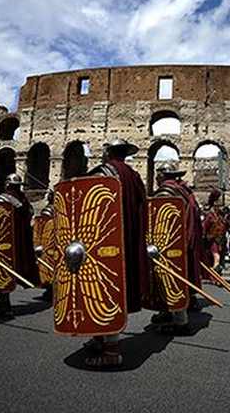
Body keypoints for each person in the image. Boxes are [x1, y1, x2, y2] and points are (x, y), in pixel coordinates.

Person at [83, 138, 149, 368]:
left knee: (105, 290)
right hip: (128, 241)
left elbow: (89, 208)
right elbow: (144, 208)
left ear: (108, 152)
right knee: (118, 288)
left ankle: (111, 351)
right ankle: (100, 335)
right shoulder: (134, 176)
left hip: (104, 243)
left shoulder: (102, 174)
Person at [151, 160, 204, 333]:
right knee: (175, 276)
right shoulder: (183, 190)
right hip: (184, 241)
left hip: (169, 243)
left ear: (161, 176)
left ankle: (181, 322)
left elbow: (160, 220)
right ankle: (167, 311)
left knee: (169, 279)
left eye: (158, 175)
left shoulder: (165, 192)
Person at [0, 173, 37, 316]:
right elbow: (30, 214)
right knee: (11, 268)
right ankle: (1, 300)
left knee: (4, 269)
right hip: (21, 241)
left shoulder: (2, 199)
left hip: (5, 240)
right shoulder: (23, 200)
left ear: (7, 184)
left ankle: (4, 303)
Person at [201, 189, 226, 273]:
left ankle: (216, 275)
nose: (220, 202)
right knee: (216, 257)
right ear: (214, 203)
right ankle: (215, 274)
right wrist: (204, 237)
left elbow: (224, 225)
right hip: (212, 240)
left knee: (219, 259)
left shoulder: (220, 214)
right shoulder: (209, 215)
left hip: (221, 240)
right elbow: (204, 226)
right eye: (218, 200)